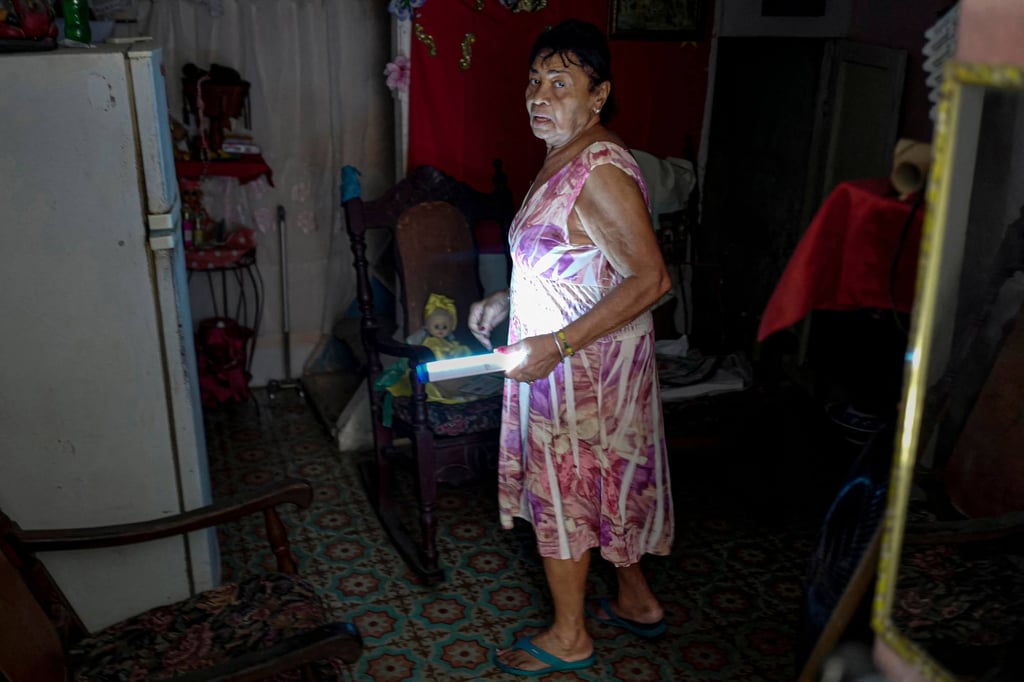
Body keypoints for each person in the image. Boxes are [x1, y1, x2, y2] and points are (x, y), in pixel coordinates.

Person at [467, 18, 674, 676]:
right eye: (534, 80)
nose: (538, 93)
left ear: (599, 94)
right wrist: (507, 301)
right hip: (574, 360)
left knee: (567, 492)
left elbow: (652, 279)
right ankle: (637, 601)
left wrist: (555, 344)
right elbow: (571, 256)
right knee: (605, 485)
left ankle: (568, 635)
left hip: (585, 372)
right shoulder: (563, 154)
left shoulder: (599, 168)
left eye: (560, 81)